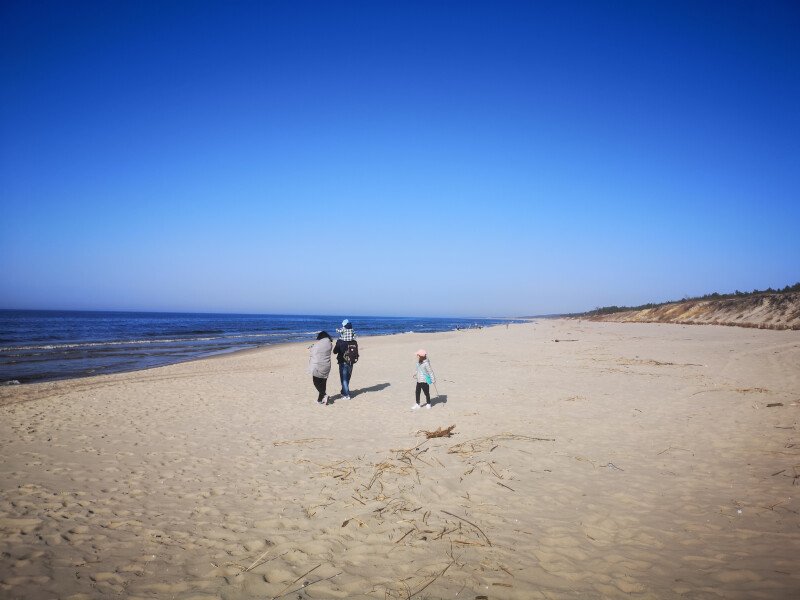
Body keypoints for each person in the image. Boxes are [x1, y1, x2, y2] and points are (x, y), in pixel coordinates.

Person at [333, 319, 357, 400]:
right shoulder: (354, 341)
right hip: (351, 360)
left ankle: (346, 395)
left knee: (343, 378)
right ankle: (344, 392)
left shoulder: (340, 341)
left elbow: (335, 351)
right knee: (347, 378)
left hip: (342, 361)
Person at [308, 331, 333, 405]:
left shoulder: (319, 344)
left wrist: (311, 348)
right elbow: (323, 352)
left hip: (318, 365)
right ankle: (320, 400)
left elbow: (314, 352)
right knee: (323, 383)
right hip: (327, 365)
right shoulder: (329, 343)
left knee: (316, 382)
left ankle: (324, 395)